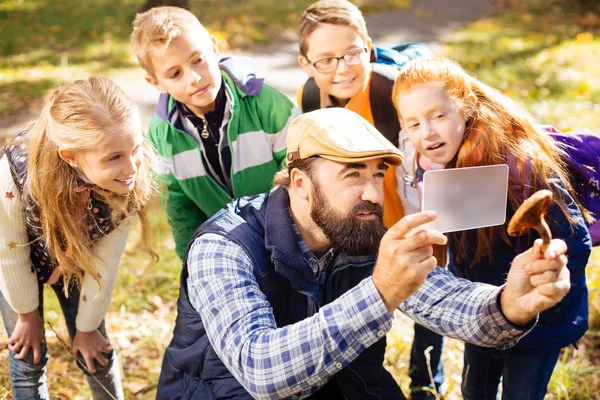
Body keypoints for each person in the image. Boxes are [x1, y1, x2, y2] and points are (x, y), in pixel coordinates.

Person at [157, 107, 572, 400]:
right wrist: (379, 293)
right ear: (300, 184)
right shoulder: (223, 246)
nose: (373, 194)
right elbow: (261, 373)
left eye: (378, 174)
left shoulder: (363, 232)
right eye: (352, 175)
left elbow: (447, 301)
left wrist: (508, 304)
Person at [391, 56, 592, 400]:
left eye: (438, 115)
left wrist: (547, 281)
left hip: (538, 321)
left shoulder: (519, 165)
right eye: (413, 123)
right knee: (474, 391)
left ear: (465, 107)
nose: (427, 132)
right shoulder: (435, 165)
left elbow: (576, 239)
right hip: (484, 310)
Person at [296, 1, 443, 396]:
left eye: (352, 54)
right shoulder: (310, 98)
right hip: (364, 222)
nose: (342, 68)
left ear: (370, 48)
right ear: (306, 65)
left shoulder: (394, 95)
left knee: (427, 295)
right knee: (369, 299)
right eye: (325, 60)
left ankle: (426, 381)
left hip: (410, 215)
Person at [0, 77, 157, 399]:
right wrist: (27, 315)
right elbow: (9, 252)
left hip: (82, 262)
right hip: (18, 259)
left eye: (136, 148)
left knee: (95, 350)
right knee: (27, 355)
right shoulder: (16, 174)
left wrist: (86, 329)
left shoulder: (127, 184)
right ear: (70, 157)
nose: (132, 166)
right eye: (114, 157)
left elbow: (106, 264)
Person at [130, 6, 300, 260]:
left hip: (291, 238)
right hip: (227, 248)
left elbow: (300, 178)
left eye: (198, 60)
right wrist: (192, 263)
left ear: (214, 47)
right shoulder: (161, 138)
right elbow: (181, 210)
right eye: (175, 74)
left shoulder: (269, 106)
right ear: (156, 83)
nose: (195, 78)